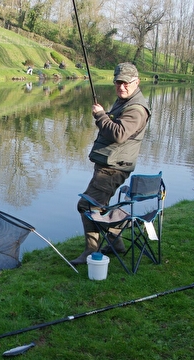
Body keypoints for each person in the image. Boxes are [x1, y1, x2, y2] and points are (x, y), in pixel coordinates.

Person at [70, 62, 151, 265]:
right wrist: (105, 115)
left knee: (87, 205)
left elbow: (119, 133)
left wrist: (100, 115)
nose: (121, 87)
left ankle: (91, 250)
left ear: (137, 82)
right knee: (99, 205)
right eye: (118, 83)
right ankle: (116, 244)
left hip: (113, 169)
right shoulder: (125, 101)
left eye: (126, 83)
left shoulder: (136, 109)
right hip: (110, 164)